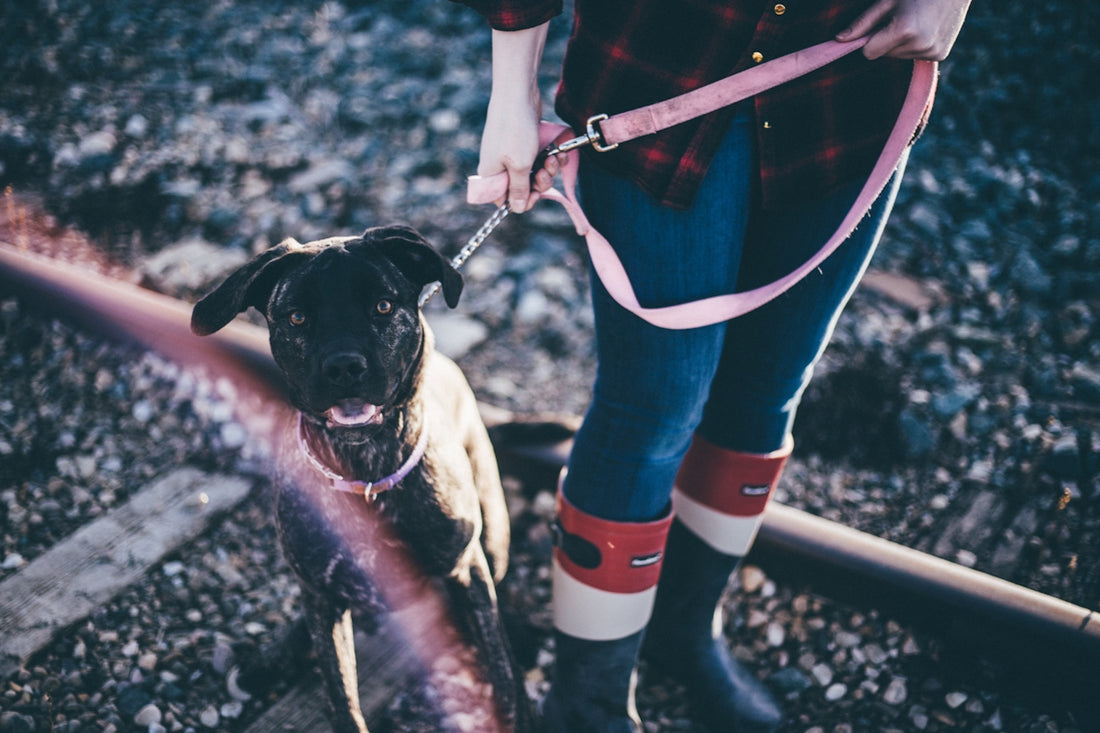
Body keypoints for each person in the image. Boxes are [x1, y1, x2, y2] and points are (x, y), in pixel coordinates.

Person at [454, 1, 971, 731]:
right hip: (657, 79)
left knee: (767, 392)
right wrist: (515, 91)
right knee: (652, 406)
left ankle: (682, 632)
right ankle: (587, 705)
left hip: (853, 87)